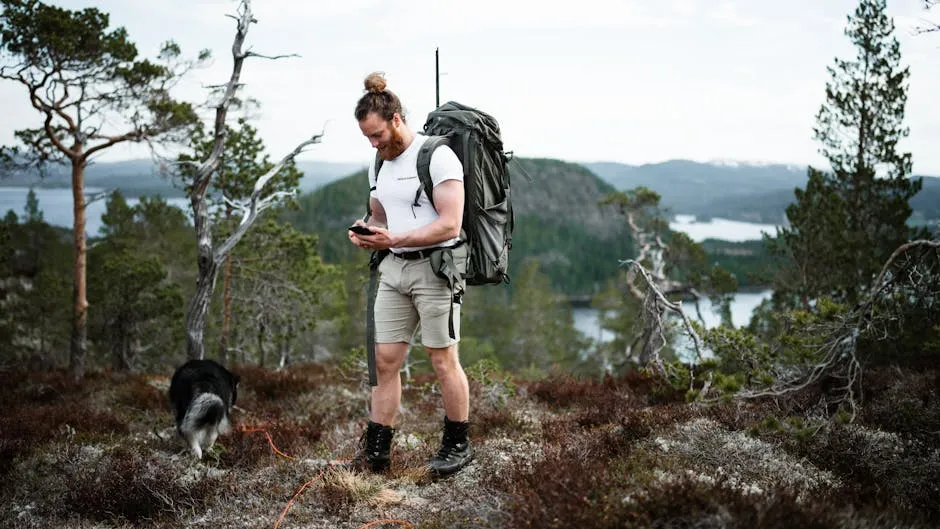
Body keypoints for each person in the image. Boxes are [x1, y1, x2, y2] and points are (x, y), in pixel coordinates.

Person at [347, 71, 473, 477]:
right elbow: (379, 212)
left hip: (436, 269)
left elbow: (450, 225)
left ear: (396, 119)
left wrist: (394, 238)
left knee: (442, 360)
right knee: (385, 361)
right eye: (367, 137)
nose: (374, 143)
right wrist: (365, 230)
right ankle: (377, 452)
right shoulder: (377, 162)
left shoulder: (438, 156)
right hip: (394, 269)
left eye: (378, 134)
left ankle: (457, 446)